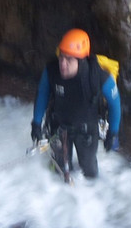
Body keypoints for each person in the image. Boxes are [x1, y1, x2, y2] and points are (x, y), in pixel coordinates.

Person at [31, 28, 121, 179]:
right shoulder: (51, 71)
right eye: (61, 57)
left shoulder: (98, 77)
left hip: (86, 129)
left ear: (81, 60)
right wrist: (36, 123)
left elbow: (115, 104)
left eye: (69, 59)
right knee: (60, 171)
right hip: (59, 126)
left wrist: (113, 132)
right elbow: (42, 96)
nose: (63, 64)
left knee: (89, 171)